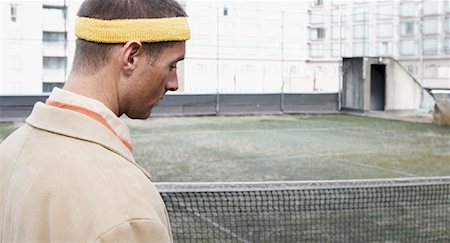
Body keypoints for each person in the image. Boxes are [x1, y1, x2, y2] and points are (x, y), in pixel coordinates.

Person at [0, 0, 189, 241]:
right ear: (131, 57)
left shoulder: (9, 151)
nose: (174, 84)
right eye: (171, 65)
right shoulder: (127, 207)